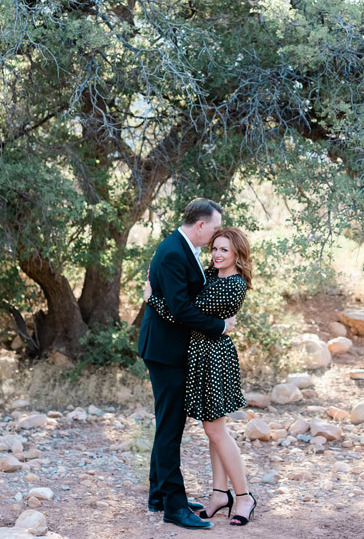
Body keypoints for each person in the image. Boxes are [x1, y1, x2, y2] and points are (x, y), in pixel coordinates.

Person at [145, 227, 257, 526]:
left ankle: (244, 497)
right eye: (215, 248)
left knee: (216, 430)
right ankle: (220, 494)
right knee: (213, 430)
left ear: (238, 254)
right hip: (200, 355)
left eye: (225, 250)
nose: (218, 255)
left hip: (214, 357)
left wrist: (152, 297)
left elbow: (184, 312)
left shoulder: (233, 285)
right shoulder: (211, 274)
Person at [137, 199, 236, 530]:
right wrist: (220, 326)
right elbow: (180, 309)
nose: (214, 236)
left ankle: (158, 495)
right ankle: (174, 507)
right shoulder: (175, 252)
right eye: (213, 228)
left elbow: (180, 300)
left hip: (168, 349)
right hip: (166, 352)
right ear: (200, 225)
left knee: (167, 424)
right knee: (170, 428)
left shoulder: (182, 247)